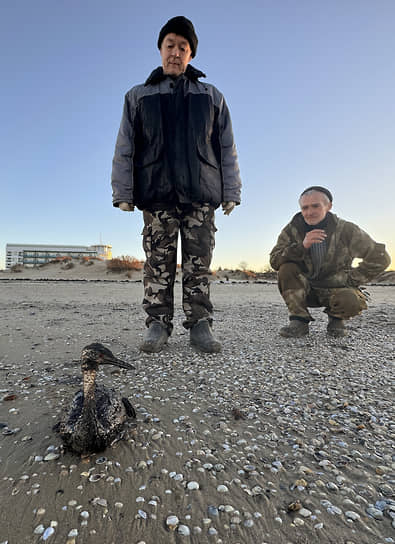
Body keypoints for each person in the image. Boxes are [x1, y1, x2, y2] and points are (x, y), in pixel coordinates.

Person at [111, 16, 241, 353]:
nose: (175, 52)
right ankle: (158, 324)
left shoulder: (212, 96)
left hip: (200, 196)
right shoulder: (138, 96)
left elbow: (226, 147)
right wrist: (122, 192)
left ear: (191, 55)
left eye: (183, 47)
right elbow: (125, 146)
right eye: (170, 45)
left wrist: (232, 192)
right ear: (160, 49)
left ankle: (200, 325)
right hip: (157, 197)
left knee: (199, 265)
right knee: (158, 264)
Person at [270, 186, 390, 338]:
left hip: (337, 289)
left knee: (350, 299)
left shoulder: (347, 230)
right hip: (306, 290)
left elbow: (380, 257)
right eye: (304, 207)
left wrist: (352, 279)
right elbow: (274, 260)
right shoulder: (292, 230)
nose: (309, 212)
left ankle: (336, 320)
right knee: (286, 268)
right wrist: (302, 246)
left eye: (315, 206)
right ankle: (298, 321)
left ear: (328, 206)